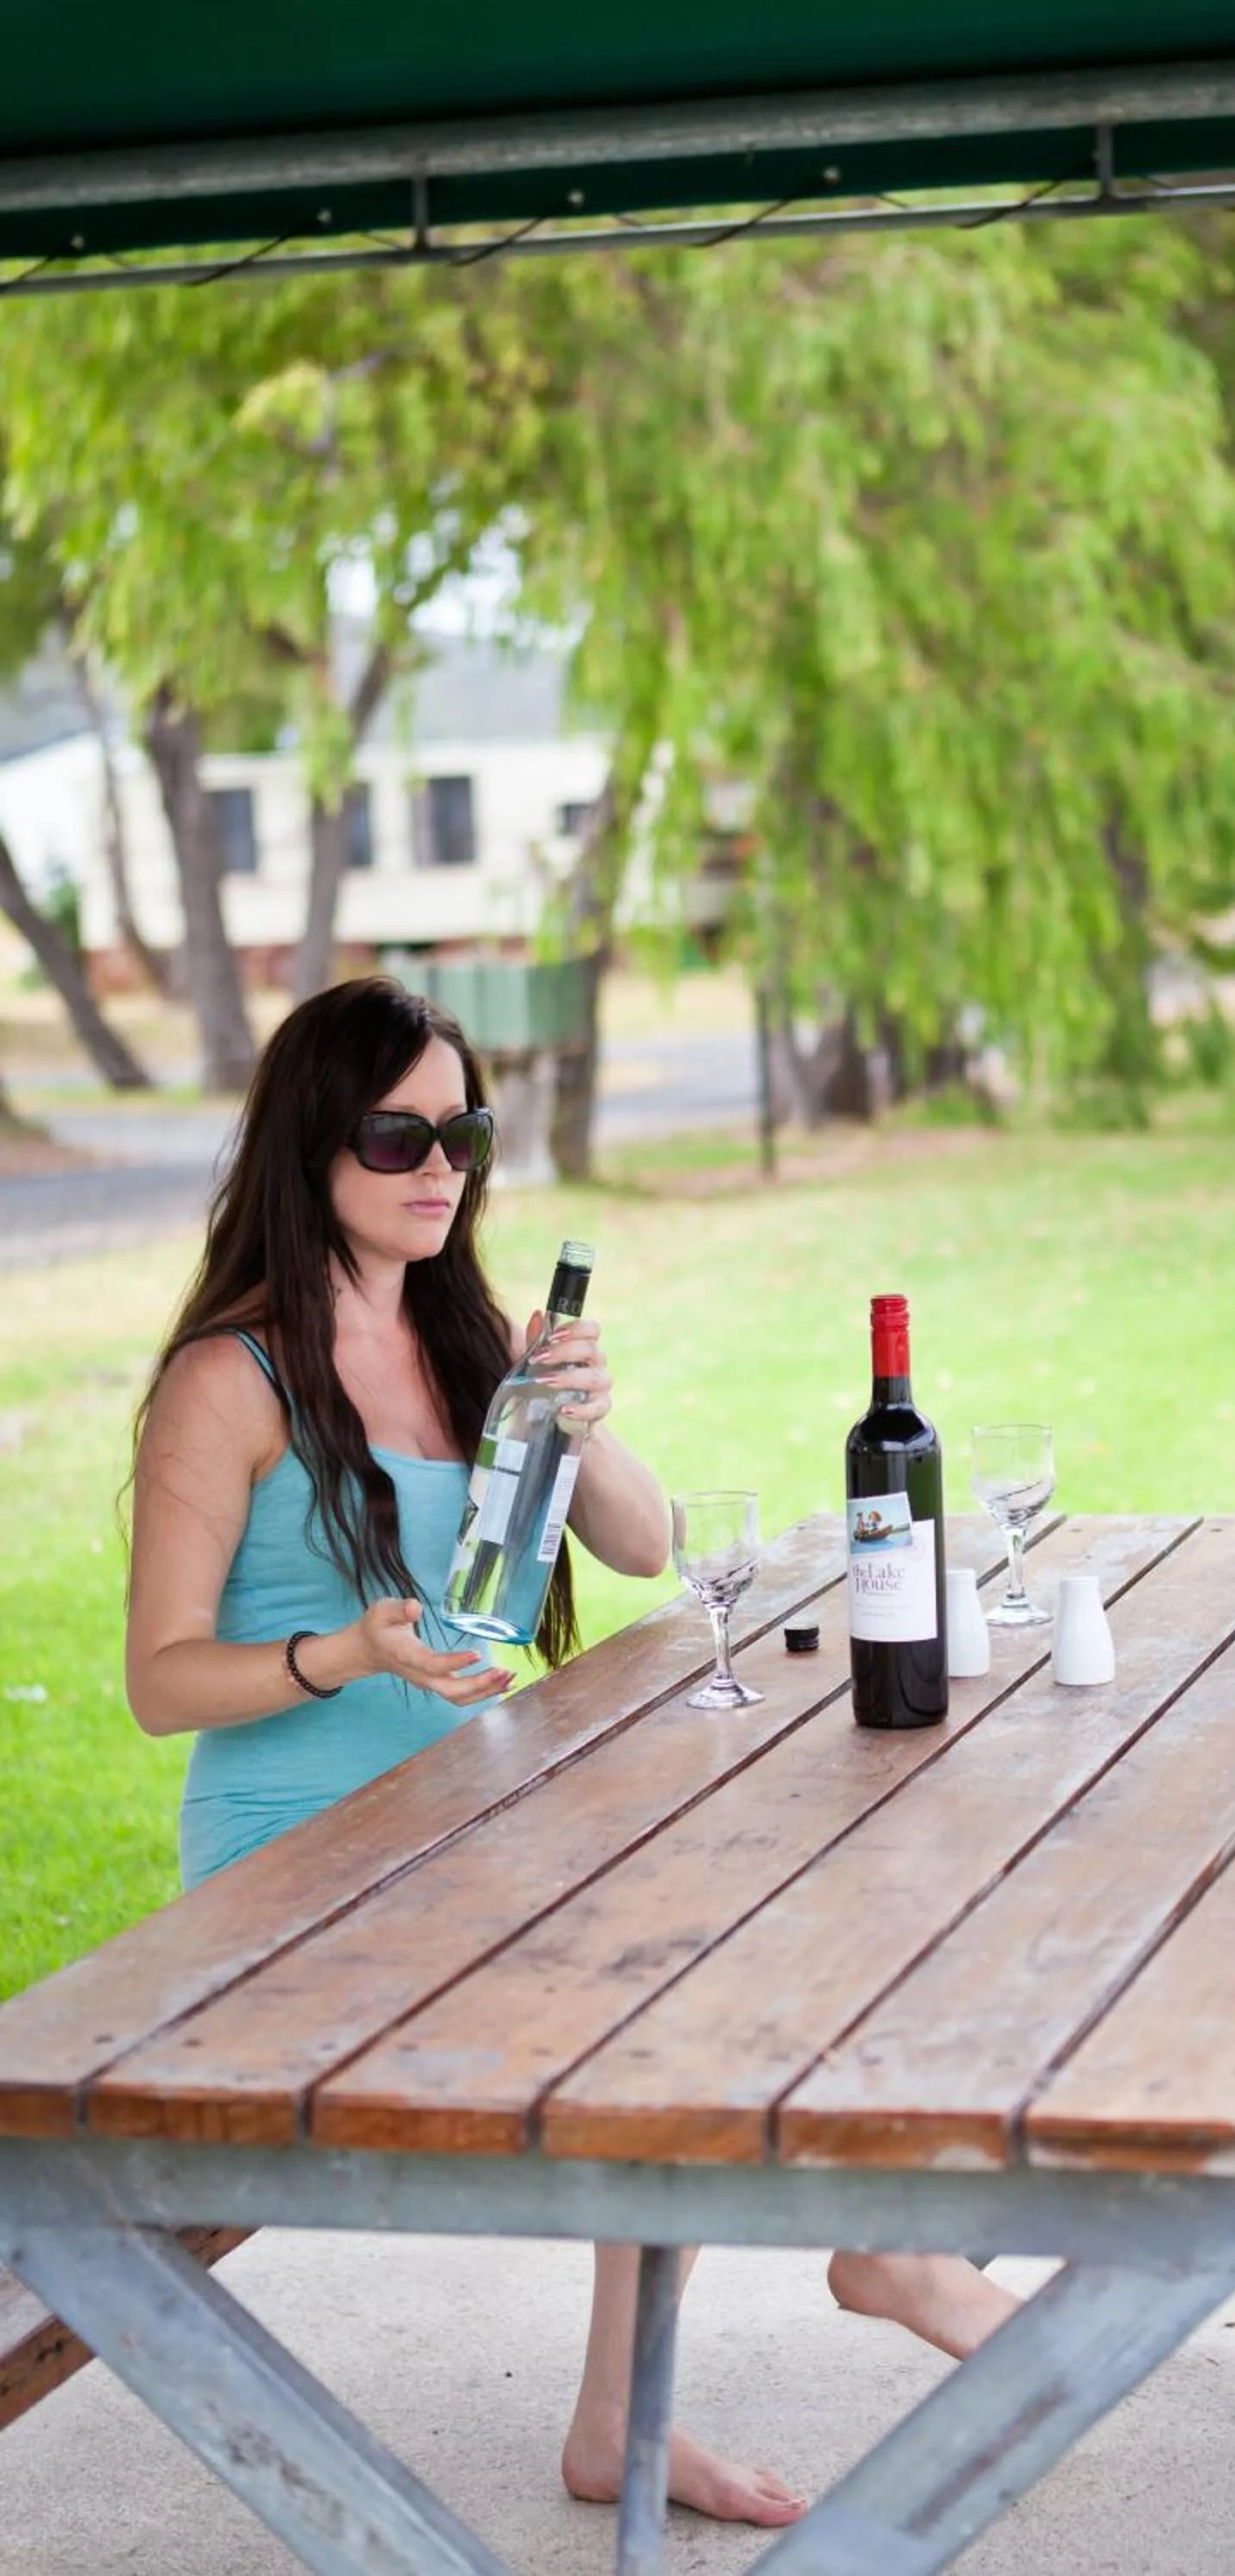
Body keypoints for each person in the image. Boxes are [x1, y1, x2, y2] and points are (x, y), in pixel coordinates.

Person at [125, 976, 1014, 2529]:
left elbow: (652, 1543)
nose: (440, 1167)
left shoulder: (470, 1342)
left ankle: (630, 2416)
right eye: (398, 1134)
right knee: (669, 1944)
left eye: (461, 1127)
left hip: (468, 1829)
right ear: (311, 1144)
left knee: (772, 1865)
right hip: (299, 1881)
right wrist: (351, 1649)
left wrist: (583, 1417)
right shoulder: (234, 1377)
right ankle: (885, 2248)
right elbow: (157, 1683)